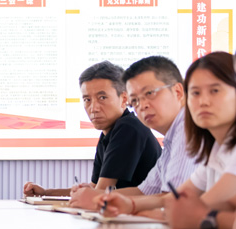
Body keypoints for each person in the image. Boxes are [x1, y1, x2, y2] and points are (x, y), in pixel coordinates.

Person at [99, 51, 236, 222]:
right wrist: (130, 205)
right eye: (195, 93)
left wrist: (162, 213)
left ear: (178, 92)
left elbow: (200, 206)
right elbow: (176, 197)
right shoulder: (215, 148)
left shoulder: (187, 132)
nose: (203, 101)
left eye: (214, 91)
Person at [69, 56, 198, 211]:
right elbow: (143, 191)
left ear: (177, 91)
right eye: (135, 100)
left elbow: (174, 200)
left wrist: (101, 199)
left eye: (149, 93)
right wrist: (96, 196)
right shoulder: (171, 140)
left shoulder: (187, 130)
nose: (142, 106)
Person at [24, 61, 161, 198]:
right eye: (87, 99)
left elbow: (97, 193)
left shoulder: (128, 128)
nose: (93, 108)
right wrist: (45, 192)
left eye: (102, 97)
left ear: (124, 98)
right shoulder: (108, 133)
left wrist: (88, 193)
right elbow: (94, 187)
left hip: (148, 210)